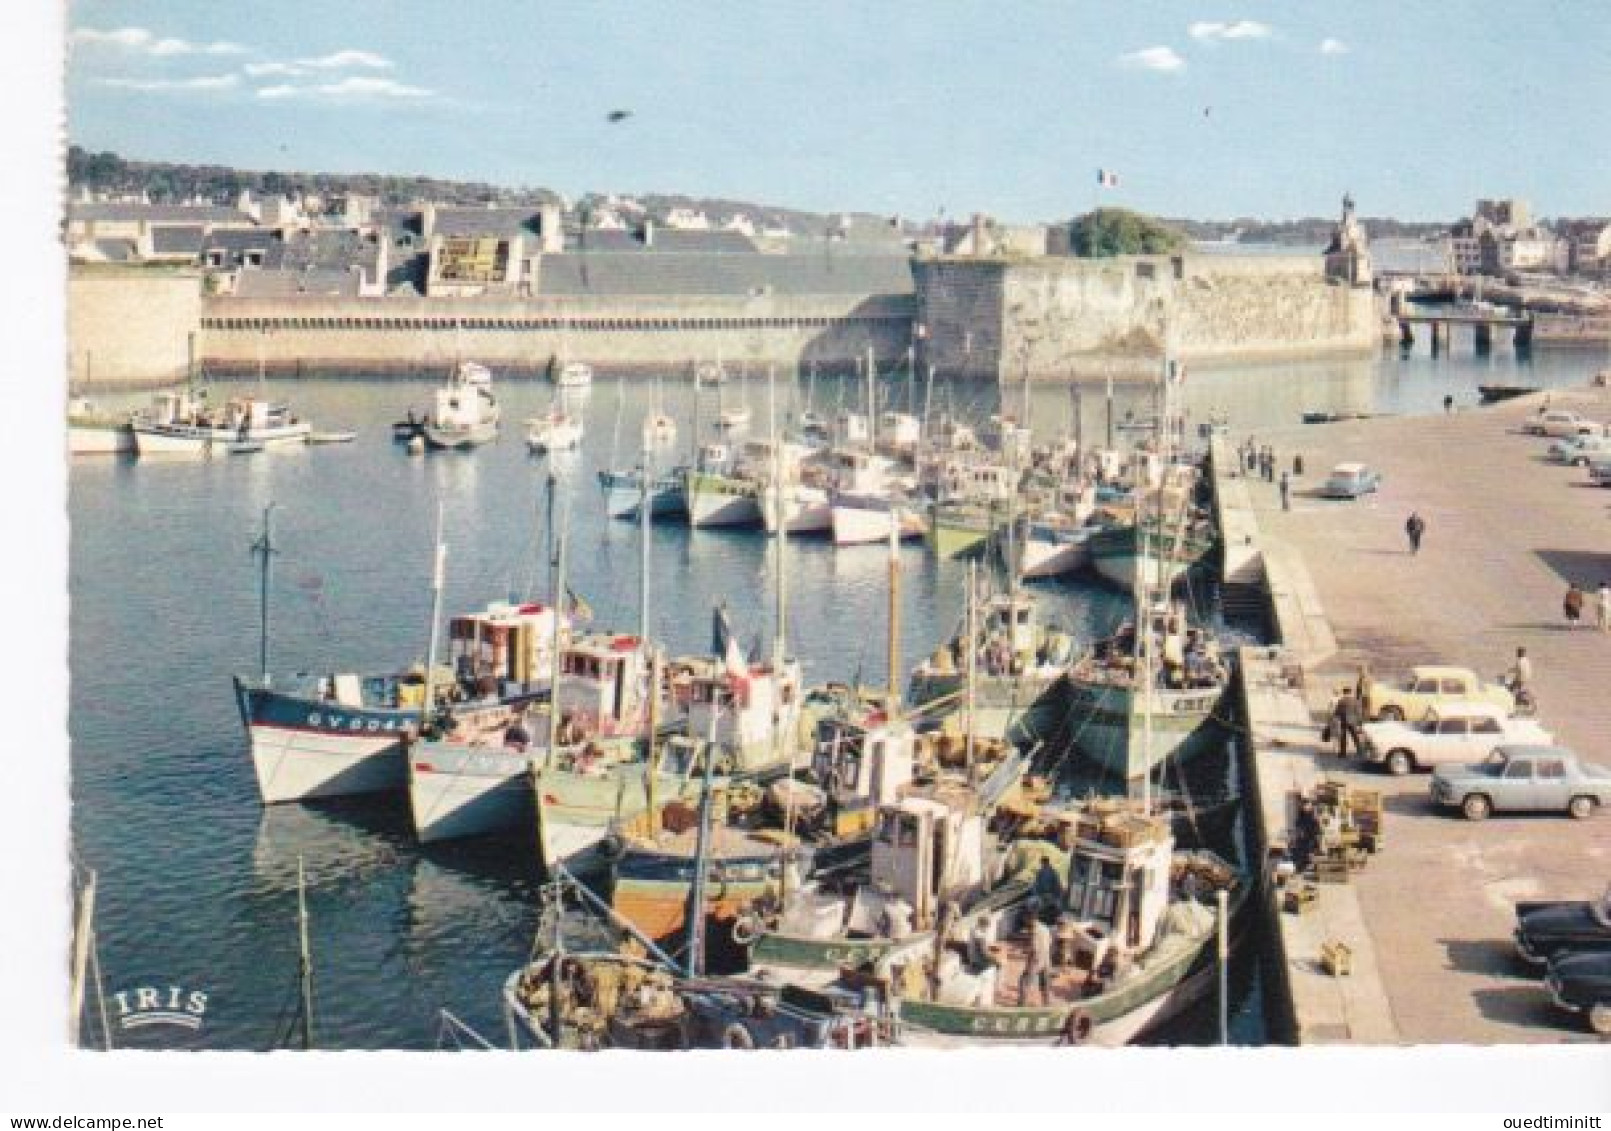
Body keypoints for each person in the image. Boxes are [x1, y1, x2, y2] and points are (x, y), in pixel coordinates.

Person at [1019, 910, 1054, 1007]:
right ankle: (1047, 1004)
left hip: (1035, 960)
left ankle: (1021, 1005)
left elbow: (1034, 948)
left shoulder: (1033, 930)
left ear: (1030, 919)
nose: (1024, 921)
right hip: (1046, 959)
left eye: (1025, 919)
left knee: (1023, 982)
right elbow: (1050, 942)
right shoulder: (1045, 927)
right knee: (1045, 984)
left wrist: (1025, 953)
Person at [1331, 687, 1363, 757]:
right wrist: (1359, 722)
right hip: (1353, 721)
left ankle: (1343, 753)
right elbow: (1358, 712)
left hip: (1343, 721)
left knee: (1343, 737)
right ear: (1350, 692)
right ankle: (1360, 751)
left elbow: (1337, 711)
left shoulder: (1341, 701)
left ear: (1344, 692)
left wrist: (1335, 719)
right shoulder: (1355, 701)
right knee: (1355, 736)